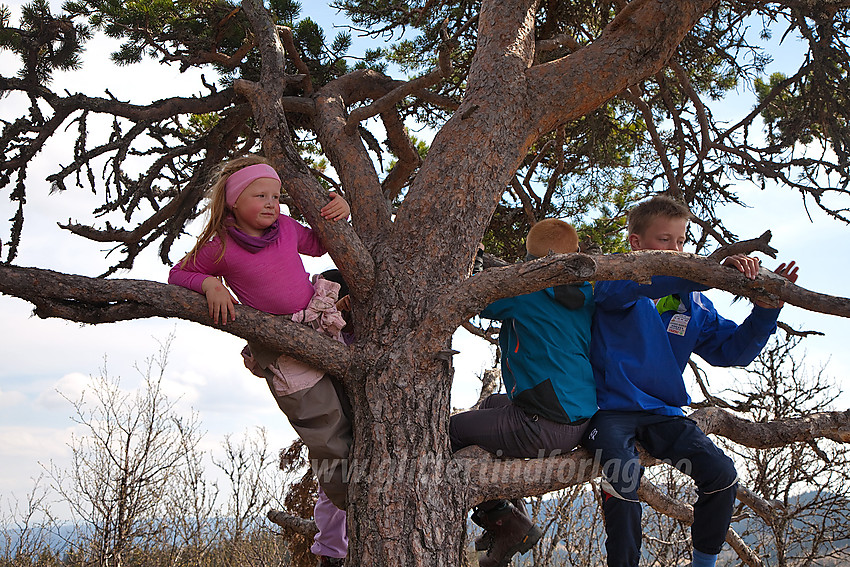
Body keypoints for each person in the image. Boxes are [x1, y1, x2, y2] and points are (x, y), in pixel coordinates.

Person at [583, 195, 799, 567]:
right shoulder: (612, 277)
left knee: (723, 476)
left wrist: (766, 311)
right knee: (622, 479)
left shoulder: (694, 301)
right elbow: (640, 286)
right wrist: (707, 267)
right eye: (664, 240)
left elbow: (733, 353)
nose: (676, 249)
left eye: (681, 241)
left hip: (665, 413)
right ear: (636, 242)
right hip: (608, 410)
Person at [167, 155, 352, 567]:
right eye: (260, 195)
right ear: (234, 201)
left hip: (319, 328)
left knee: (356, 420)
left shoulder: (285, 228)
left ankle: (348, 523)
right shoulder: (222, 244)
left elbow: (321, 243)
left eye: (276, 195)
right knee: (325, 432)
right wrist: (211, 282)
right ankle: (358, 513)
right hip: (284, 351)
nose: (272, 203)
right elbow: (179, 275)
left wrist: (341, 208)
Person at [450, 219, 598, 567]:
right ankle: (510, 518)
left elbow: (473, 297)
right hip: (577, 419)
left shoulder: (528, 292)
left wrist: (473, 260)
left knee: (451, 431)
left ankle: (505, 520)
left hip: (540, 424)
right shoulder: (586, 293)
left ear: (533, 262)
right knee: (491, 404)